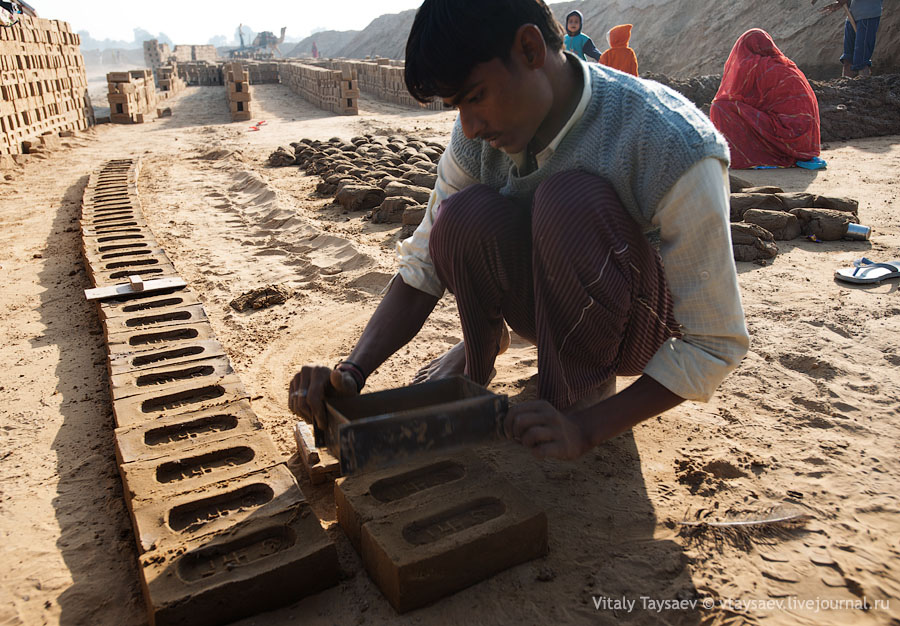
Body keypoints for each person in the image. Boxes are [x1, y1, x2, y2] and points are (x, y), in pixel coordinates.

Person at [289, 0, 748, 461]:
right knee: (462, 218)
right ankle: (479, 352)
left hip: (637, 328)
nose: (467, 128)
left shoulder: (669, 140)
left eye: (474, 97)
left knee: (566, 201)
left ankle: (579, 391)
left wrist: (585, 428)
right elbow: (423, 264)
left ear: (530, 49)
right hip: (550, 305)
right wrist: (351, 373)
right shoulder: (479, 140)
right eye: (456, 106)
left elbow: (713, 341)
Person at [709, 29, 821, 169]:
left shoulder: (754, 65)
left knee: (720, 107)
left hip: (788, 136)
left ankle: (745, 154)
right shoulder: (786, 66)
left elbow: (736, 98)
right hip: (806, 141)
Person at [821, 0, 883, 77]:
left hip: (868, 14)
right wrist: (842, 3)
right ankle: (845, 84)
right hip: (852, 15)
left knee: (862, 58)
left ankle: (864, 81)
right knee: (848, 58)